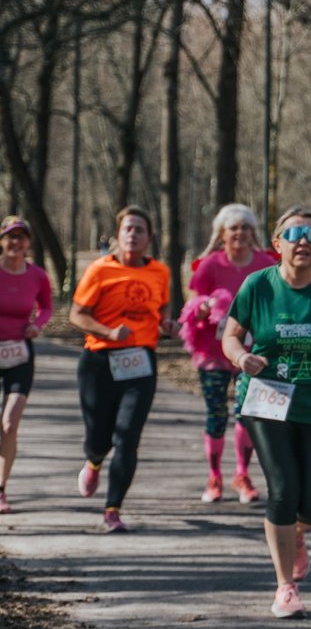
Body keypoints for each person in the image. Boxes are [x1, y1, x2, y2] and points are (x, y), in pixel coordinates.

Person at [222, 206, 311, 619]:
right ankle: (285, 587)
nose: (303, 241)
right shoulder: (257, 285)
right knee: (283, 490)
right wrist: (241, 357)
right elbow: (230, 335)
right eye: (294, 233)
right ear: (277, 244)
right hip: (265, 399)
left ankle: (299, 533)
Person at [70, 206, 177, 532]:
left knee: (128, 436)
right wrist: (106, 331)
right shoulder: (100, 270)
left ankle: (112, 509)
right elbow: (78, 314)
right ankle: (94, 460)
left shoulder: (160, 271)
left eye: (139, 230)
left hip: (139, 363)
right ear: (118, 235)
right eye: (127, 228)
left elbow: (162, 306)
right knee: (98, 438)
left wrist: (166, 323)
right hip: (99, 362)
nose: (133, 234)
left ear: (149, 237)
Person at [179, 204, 275, 504]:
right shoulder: (209, 265)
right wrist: (205, 307)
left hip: (253, 352)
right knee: (217, 413)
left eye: (246, 228)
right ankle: (214, 477)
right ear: (222, 234)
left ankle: (242, 475)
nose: (241, 234)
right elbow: (191, 307)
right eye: (234, 228)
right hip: (213, 352)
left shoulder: (264, 263)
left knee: (247, 414)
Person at [0, 217, 52, 514]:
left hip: (20, 353)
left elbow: (46, 306)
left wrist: (38, 325)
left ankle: (1, 489)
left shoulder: (38, 276)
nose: (15, 243)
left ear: (28, 243)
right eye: (9, 237)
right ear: (1, 241)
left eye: (20, 237)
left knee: (10, 423)